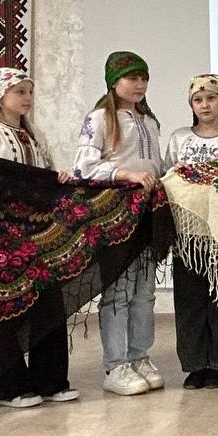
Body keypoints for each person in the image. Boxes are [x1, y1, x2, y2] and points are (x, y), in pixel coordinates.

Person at [0, 66, 78, 409]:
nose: (27, 98)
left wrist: (56, 179)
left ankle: (50, 380)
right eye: (20, 92)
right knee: (4, 308)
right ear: (0, 96)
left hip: (36, 234)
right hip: (2, 236)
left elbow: (41, 179)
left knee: (49, 305)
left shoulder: (33, 136)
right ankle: (8, 387)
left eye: (30, 91)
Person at [72, 51, 164, 398]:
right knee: (119, 291)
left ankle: (139, 356)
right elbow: (83, 167)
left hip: (147, 212)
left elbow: (155, 165)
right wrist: (123, 173)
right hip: (115, 212)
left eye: (144, 78)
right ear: (114, 81)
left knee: (144, 291)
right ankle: (116, 364)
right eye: (132, 78)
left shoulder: (149, 121)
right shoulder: (99, 119)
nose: (139, 85)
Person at [164, 74, 218, 389]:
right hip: (187, 236)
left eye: (211, 98)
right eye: (198, 100)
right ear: (191, 105)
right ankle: (195, 366)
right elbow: (167, 177)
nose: (205, 105)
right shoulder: (179, 138)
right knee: (189, 300)